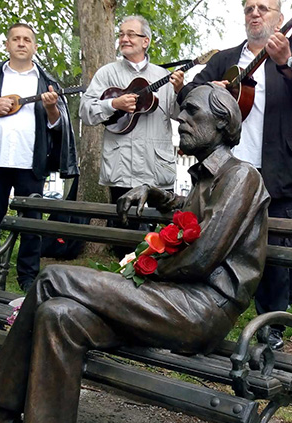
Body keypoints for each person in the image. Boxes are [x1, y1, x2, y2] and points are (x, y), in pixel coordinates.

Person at [0, 84, 270, 423]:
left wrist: (141, 269)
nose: (180, 118)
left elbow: (199, 257)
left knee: (52, 278)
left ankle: (0, 420)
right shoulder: (208, 177)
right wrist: (153, 191)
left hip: (201, 309)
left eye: (192, 111)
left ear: (223, 122)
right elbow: (191, 213)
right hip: (172, 298)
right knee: (58, 315)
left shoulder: (241, 177)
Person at [178, 0, 292, 350]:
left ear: (278, 16)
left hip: (280, 170)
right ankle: (205, 310)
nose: (255, 13)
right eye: (248, 8)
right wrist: (209, 88)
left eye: (263, 7)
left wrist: (286, 62)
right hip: (225, 172)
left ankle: (272, 324)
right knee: (213, 240)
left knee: (276, 251)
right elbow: (187, 95)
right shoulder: (225, 58)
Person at [0, 23, 78, 292]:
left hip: (31, 163)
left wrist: (52, 108)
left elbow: (56, 125)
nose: (21, 43)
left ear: (34, 47)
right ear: (7, 44)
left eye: (27, 39)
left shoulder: (46, 81)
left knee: (31, 223)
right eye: (16, 39)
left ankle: (28, 275)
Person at [79, 15, 184, 256]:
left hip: (156, 170)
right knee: (124, 241)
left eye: (131, 34)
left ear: (145, 41)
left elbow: (180, 114)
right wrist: (113, 104)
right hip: (121, 170)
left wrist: (179, 91)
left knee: (161, 240)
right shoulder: (107, 73)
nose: (124, 39)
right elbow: (85, 112)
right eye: (121, 34)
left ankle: (156, 291)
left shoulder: (163, 77)